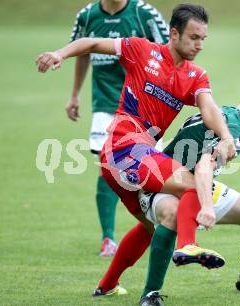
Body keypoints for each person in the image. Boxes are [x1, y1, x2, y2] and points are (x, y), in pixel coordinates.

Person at [36, 2, 237, 297]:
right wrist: (60, 53)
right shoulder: (141, 50)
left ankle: (106, 286)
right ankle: (187, 245)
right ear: (173, 33)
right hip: (123, 147)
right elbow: (92, 42)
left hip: (128, 161)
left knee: (154, 227)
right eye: (194, 37)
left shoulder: (195, 76)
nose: (199, 45)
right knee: (196, 184)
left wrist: (225, 135)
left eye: (203, 39)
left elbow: (209, 108)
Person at [137, 84, 240, 305]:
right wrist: (208, 208)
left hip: (193, 186)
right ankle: (150, 295)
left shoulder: (234, 117)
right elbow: (203, 168)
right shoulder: (234, 133)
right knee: (172, 214)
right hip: (160, 187)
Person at [67, 0, 169, 257]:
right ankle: (108, 239)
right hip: (104, 106)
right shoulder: (87, 16)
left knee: (149, 172)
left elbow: (169, 53)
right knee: (107, 169)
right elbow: (82, 54)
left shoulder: (144, 14)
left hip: (140, 108)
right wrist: (75, 95)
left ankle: (167, 225)